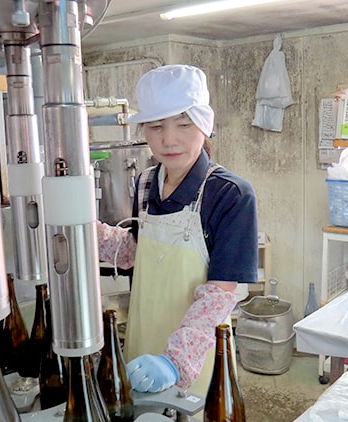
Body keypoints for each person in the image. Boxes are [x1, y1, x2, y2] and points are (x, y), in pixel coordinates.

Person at [96, 64, 258, 397]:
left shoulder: (230, 194)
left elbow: (219, 295)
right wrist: (84, 233)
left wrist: (175, 362)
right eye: (156, 126)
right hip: (143, 345)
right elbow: (137, 251)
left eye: (183, 124)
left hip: (195, 359)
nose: (169, 139)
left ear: (204, 124)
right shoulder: (145, 182)